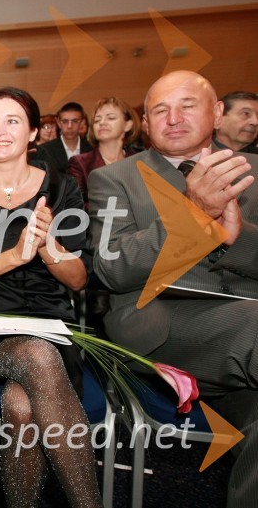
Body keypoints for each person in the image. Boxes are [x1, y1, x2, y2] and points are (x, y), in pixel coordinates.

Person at [88, 70, 258, 508]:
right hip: (159, 324)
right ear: (145, 122)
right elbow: (112, 268)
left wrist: (234, 241)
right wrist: (192, 212)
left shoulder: (252, 172)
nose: (174, 118)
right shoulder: (117, 178)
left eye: (187, 105)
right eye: (160, 110)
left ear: (217, 113)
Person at [0, 86, 100, 508]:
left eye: (12, 121)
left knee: (21, 405)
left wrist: (47, 247)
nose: (0, 130)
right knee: (37, 358)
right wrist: (12, 256)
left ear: (32, 133)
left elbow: (79, 279)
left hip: (49, 320)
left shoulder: (62, 189)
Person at [69, 96, 141, 209]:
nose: (102, 123)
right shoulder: (80, 163)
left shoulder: (140, 162)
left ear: (128, 125)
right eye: (97, 120)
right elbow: (76, 205)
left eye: (111, 118)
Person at [34, 102, 93, 174]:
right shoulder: (45, 150)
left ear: (82, 123)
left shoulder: (92, 149)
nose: (69, 126)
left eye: (74, 121)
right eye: (65, 121)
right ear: (58, 123)